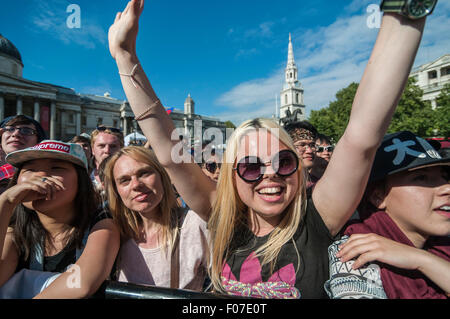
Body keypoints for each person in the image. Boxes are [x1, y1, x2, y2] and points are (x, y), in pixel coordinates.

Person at [108, 0, 429, 298]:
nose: (270, 174)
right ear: (233, 176)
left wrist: (406, 11)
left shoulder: (316, 219)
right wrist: (126, 58)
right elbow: (169, 153)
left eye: (284, 161)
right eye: (250, 166)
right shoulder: (224, 220)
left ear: (299, 168)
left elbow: (362, 136)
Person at [325, 131, 449, 299]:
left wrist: (423, 260)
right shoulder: (356, 252)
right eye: (421, 178)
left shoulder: (442, 244)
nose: (446, 188)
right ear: (378, 197)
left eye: (445, 177)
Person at [0, 140, 120, 298]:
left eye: (56, 168)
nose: (41, 176)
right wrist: (6, 201)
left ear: (81, 181)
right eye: (30, 169)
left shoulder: (103, 223)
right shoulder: (16, 231)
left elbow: (80, 284)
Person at [103, 146, 209, 290]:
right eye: (125, 180)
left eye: (144, 173)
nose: (136, 185)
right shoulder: (113, 232)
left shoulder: (194, 224)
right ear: (116, 190)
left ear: (162, 175)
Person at [0, 115, 47, 194]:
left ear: (38, 141)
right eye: (10, 129)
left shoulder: (46, 172)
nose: (16, 134)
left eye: (26, 131)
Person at [90, 126, 124, 191]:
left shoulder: (131, 180)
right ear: (93, 150)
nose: (107, 150)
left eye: (113, 146)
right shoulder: (83, 180)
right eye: (101, 146)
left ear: (121, 149)